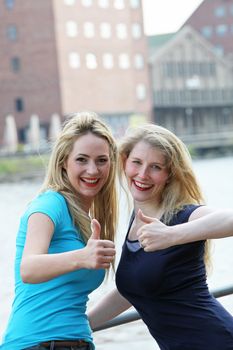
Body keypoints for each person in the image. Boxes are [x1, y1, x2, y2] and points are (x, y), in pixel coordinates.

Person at [88, 124, 233, 350]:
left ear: (169, 174)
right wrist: (82, 324)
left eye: (155, 167)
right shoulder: (136, 220)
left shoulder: (183, 214)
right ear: (125, 162)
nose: (143, 174)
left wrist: (171, 234)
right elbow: (133, 289)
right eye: (137, 162)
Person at [0, 111, 118, 350]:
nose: (93, 170)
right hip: (35, 344)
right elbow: (29, 268)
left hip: (78, 343)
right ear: (64, 162)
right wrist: (82, 257)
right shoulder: (50, 204)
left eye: (101, 160)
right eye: (82, 160)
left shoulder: (87, 221)